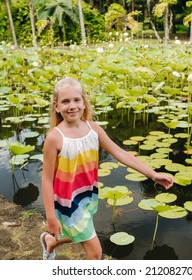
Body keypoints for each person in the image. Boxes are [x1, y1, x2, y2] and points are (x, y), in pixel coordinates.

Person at [40, 76, 173, 260]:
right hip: (67, 202)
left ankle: (51, 241)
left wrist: (153, 175)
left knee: (79, 230)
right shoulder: (55, 138)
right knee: (95, 253)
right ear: (56, 106)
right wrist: (51, 218)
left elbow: (121, 153)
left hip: (87, 194)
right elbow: (46, 179)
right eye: (65, 101)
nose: (72, 105)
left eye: (77, 100)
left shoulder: (93, 129)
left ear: (84, 102)